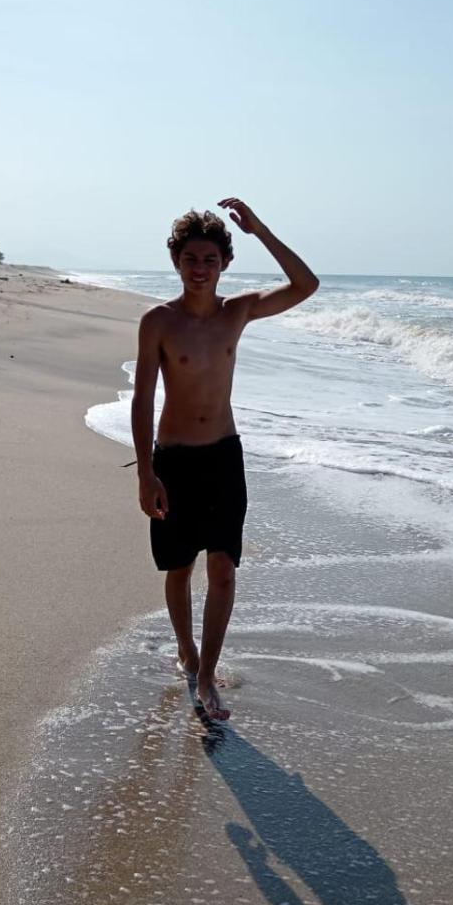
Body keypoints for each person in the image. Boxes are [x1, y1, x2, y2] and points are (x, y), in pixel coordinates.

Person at [131, 199, 319, 720]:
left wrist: (260, 230)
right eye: (191, 259)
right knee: (178, 567)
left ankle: (207, 674)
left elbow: (306, 286)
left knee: (223, 570)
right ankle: (186, 649)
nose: (200, 268)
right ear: (176, 261)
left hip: (223, 459)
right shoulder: (158, 322)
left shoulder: (236, 312)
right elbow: (143, 399)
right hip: (172, 460)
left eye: (210, 260)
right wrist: (146, 473)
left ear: (225, 264)